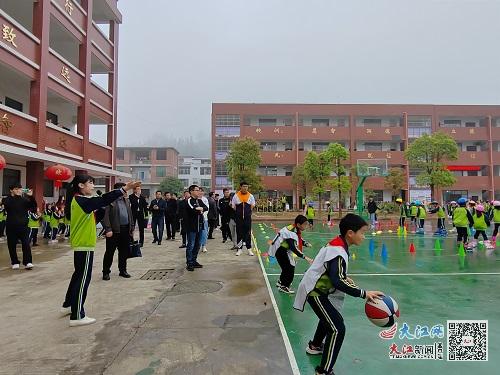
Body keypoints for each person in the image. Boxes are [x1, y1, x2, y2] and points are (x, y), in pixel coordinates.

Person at [293, 214, 384, 375]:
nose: (364, 236)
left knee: (330, 317)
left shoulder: (339, 244)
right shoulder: (339, 250)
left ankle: (315, 346)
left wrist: (342, 276)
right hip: (315, 291)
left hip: (317, 288)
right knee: (337, 328)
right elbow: (337, 281)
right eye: (362, 232)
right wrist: (364, 293)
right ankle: (324, 371)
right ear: (350, 233)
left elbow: (333, 271)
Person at [60, 175, 140, 327]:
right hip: (84, 244)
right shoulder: (81, 200)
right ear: (80, 185)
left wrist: (102, 210)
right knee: (83, 278)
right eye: (90, 183)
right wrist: (124, 189)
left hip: (83, 244)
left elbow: (95, 217)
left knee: (78, 275)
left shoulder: (79, 201)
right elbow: (102, 199)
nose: (92, 186)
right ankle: (77, 315)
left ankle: (69, 304)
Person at [268, 215, 313, 294]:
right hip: (280, 250)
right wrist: (305, 257)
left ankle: (281, 282)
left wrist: (304, 243)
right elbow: (294, 248)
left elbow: (297, 237)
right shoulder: (291, 232)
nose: (306, 226)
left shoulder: (293, 228)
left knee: (286, 267)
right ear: (299, 225)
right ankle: (284, 286)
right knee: (290, 268)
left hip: (281, 249)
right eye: (305, 224)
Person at [102, 182, 135, 280]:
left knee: (124, 251)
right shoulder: (110, 201)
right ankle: (106, 272)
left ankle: (123, 270)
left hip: (125, 229)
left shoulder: (126, 201)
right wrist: (108, 229)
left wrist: (132, 228)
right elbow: (105, 216)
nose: (126, 191)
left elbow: (130, 215)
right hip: (113, 231)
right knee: (110, 252)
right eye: (124, 189)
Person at [3, 183, 36, 270]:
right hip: (11, 226)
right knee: (11, 245)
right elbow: (7, 205)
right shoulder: (7, 200)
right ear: (11, 190)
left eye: (20, 189)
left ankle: (28, 262)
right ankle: (15, 262)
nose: (19, 190)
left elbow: (33, 207)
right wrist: (13, 196)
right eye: (16, 189)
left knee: (26, 244)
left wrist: (31, 197)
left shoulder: (24, 200)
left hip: (23, 227)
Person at [185, 185, 208, 271]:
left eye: (199, 190)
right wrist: (199, 210)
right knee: (191, 244)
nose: (199, 192)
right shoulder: (189, 201)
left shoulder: (199, 201)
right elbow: (193, 210)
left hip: (200, 225)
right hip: (192, 226)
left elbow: (206, 208)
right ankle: (189, 263)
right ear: (191, 191)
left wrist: (201, 208)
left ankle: (194, 261)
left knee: (198, 244)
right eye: (197, 190)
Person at [232, 182, 256, 256]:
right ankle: (239, 249)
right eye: (244, 186)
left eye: (246, 186)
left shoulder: (251, 196)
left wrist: (247, 213)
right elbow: (233, 206)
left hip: (247, 218)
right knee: (239, 233)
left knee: (248, 233)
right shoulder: (236, 196)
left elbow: (252, 206)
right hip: (239, 218)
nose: (245, 188)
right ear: (241, 187)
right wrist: (239, 213)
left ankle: (249, 249)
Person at [199, 188, 209, 252]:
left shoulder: (205, 199)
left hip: (204, 218)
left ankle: (204, 246)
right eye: (199, 191)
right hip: (196, 219)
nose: (200, 192)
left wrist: (202, 213)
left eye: (202, 191)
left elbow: (207, 209)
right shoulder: (194, 199)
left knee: (204, 233)